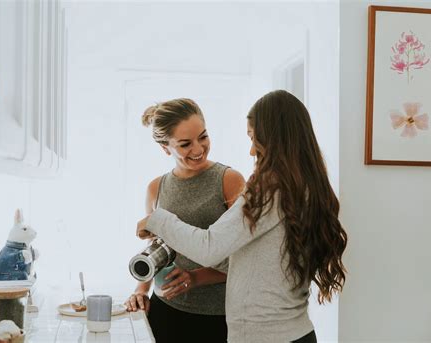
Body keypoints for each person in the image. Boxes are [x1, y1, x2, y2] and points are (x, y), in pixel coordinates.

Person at [138, 90, 348, 343]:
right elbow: (247, 257)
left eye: (254, 138)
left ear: (273, 139)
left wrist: (158, 220)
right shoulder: (304, 185)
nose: (250, 151)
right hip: (292, 331)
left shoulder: (269, 190)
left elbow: (210, 247)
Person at [125, 98, 245, 343]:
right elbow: (157, 248)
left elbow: (244, 255)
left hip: (218, 316)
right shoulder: (155, 188)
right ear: (165, 147)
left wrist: (196, 277)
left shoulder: (229, 181)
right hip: (165, 312)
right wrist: (140, 290)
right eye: (185, 144)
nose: (198, 148)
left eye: (203, 137)